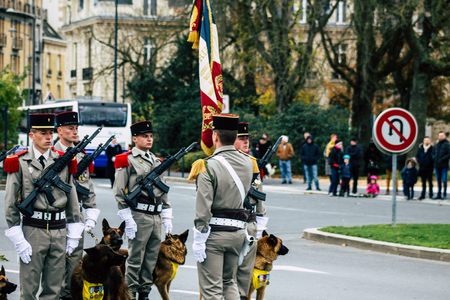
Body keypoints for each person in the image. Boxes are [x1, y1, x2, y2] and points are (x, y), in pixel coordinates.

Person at [4, 113, 82, 300]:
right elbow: (10, 202)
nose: (48, 137)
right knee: (29, 290)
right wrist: (18, 237)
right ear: (32, 135)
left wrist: (73, 230)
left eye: (50, 133)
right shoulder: (19, 161)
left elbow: (71, 196)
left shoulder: (63, 160)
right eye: (42, 133)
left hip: (59, 231)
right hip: (33, 231)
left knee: (53, 290)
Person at [188, 114, 258, 300]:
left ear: (215, 136)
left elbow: (203, 208)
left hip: (214, 234)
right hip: (237, 233)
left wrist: (198, 239)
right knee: (229, 282)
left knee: (211, 290)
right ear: (235, 137)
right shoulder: (248, 163)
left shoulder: (207, 166)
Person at [114, 120, 173, 300]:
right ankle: (130, 291)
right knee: (135, 258)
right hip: (138, 214)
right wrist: (127, 217)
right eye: (144, 136)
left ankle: (144, 292)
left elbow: (163, 189)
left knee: (151, 257)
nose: (149, 139)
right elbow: (119, 191)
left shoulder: (157, 161)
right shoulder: (127, 159)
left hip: (155, 215)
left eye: (150, 136)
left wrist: (166, 215)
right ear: (134, 138)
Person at [54, 112, 101, 300]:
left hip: (76, 216)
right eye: (70, 128)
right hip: (56, 214)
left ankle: (69, 295)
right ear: (59, 130)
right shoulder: (51, 154)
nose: (75, 132)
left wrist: (90, 213)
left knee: (74, 259)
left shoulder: (81, 156)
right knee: (55, 262)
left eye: (76, 128)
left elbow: (87, 186)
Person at [233, 122, 268, 300]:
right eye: (242, 139)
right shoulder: (226, 163)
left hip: (250, 223)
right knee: (230, 270)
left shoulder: (254, 163)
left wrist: (261, 222)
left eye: (247, 139)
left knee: (246, 271)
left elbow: (259, 194)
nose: (246, 142)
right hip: (231, 223)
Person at [432, 131, 450, 200]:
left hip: (444, 166)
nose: (441, 137)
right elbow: (433, 153)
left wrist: (442, 159)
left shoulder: (447, 144)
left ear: (444, 136)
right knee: (438, 180)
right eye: (440, 136)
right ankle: (438, 194)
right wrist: (434, 158)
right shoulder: (436, 145)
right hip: (437, 165)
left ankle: (444, 194)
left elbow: (449, 154)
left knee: (444, 180)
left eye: (442, 135)